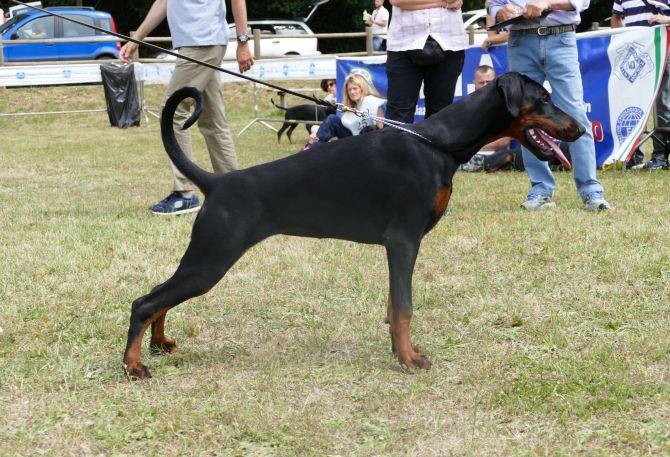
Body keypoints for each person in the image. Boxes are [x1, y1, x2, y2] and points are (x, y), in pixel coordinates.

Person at [119, 0, 253, 215]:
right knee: (213, 121)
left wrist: (243, 41)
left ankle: (185, 192)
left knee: (173, 111)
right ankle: (234, 192)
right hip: (199, 42)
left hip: (202, 42)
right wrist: (136, 39)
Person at [488, 0, 612, 211]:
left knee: (575, 115)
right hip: (520, 40)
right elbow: (494, 4)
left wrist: (546, 3)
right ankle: (540, 190)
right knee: (526, 119)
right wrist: (501, 12)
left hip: (560, 36)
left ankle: (592, 191)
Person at [385, 0, 467, 124]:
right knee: (398, 117)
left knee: (440, 117)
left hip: (450, 41)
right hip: (403, 43)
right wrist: (444, 3)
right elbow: (397, 1)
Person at [612, 2, 670, 170]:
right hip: (634, 55)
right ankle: (633, 155)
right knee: (632, 104)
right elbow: (616, 18)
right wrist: (621, 40)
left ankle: (660, 157)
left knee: (662, 105)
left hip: (662, 51)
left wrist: (666, 19)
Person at [460, 66, 522, 171]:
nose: (485, 85)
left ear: (495, 82)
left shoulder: (506, 107)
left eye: (488, 82)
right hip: (470, 157)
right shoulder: (465, 108)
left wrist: (472, 148)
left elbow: (503, 141)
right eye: (481, 82)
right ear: (474, 83)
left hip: (497, 156)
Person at [304, 73, 385, 149]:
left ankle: (313, 148)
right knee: (332, 120)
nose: (352, 92)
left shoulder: (372, 101)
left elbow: (382, 127)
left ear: (362, 88)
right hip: (353, 139)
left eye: (355, 88)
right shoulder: (349, 108)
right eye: (349, 90)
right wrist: (317, 131)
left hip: (369, 141)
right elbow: (339, 132)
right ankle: (313, 147)